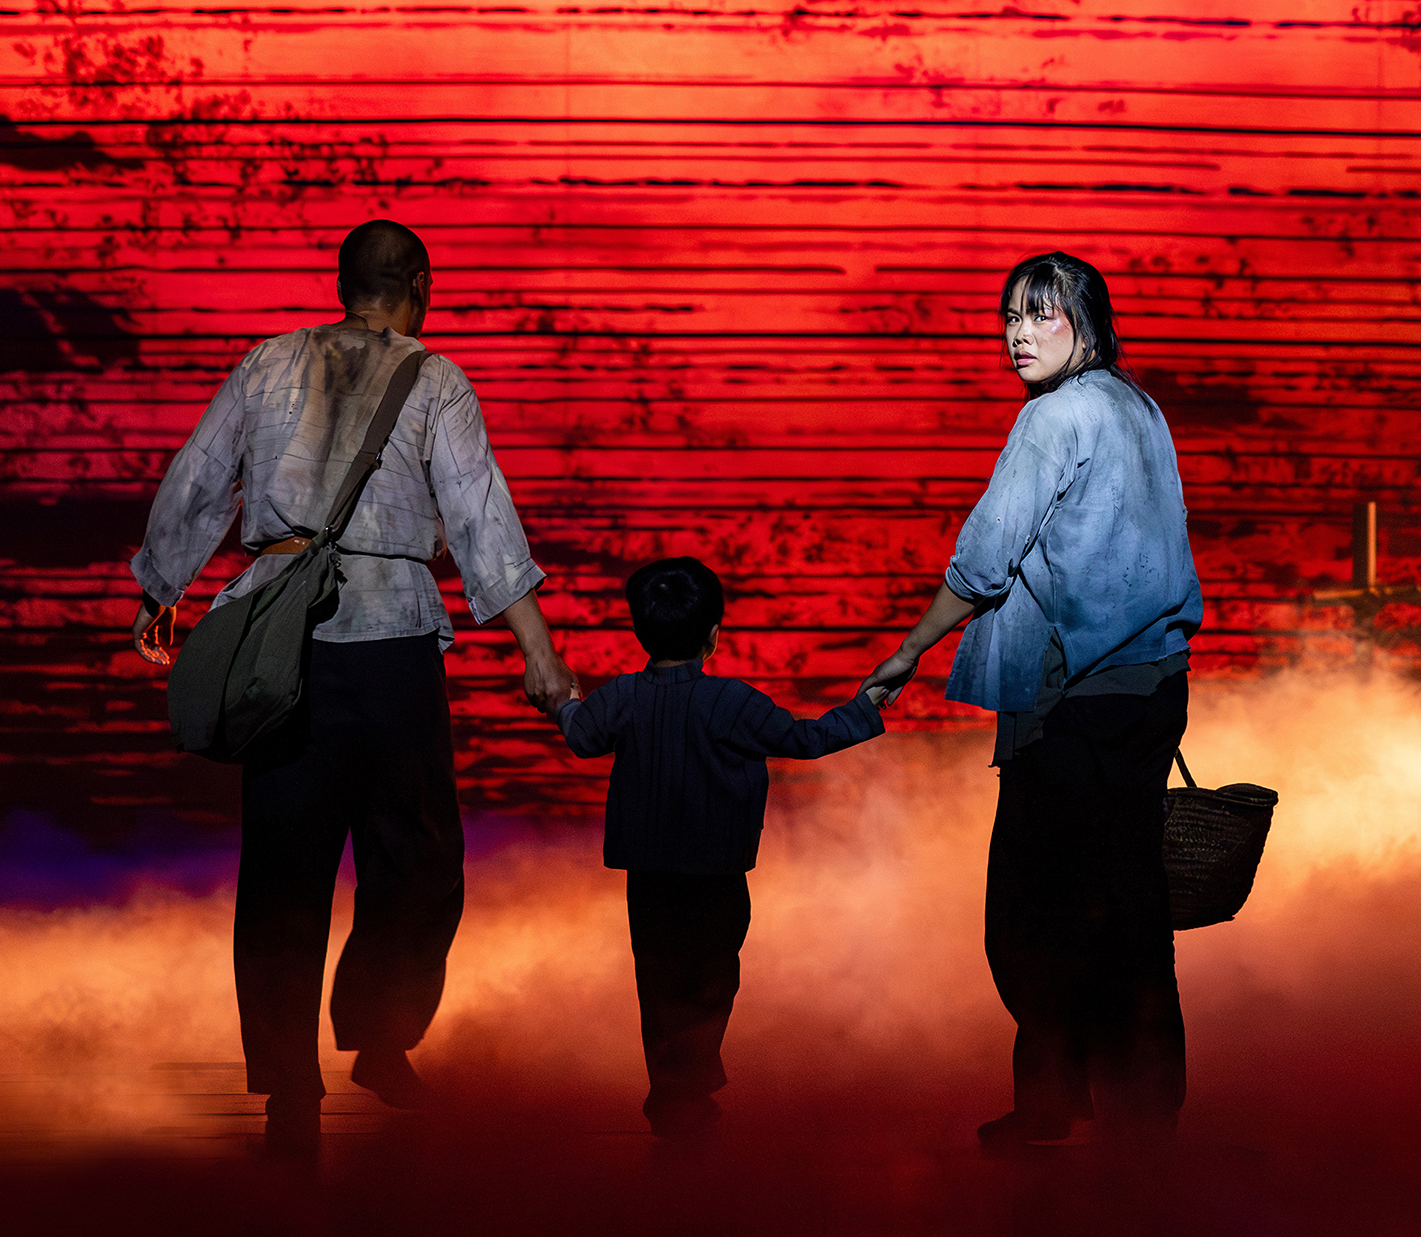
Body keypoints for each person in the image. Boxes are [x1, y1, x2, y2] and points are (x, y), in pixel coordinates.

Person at [129, 219, 574, 1149]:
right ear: (416, 281)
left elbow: (199, 479)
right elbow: (481, 514)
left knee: (285, 872)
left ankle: (293, 1085)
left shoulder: (266, 362)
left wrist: (162, 593)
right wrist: (537, 649)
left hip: (280, 641)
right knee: (417, 857)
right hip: (388, 641)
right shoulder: (435, 378)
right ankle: (373, 1038)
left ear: (343, 283)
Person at [861, 251, 1203, 1149]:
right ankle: (1144, 1109)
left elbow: (983, 560)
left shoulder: (1054, 418)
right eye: (1010, 315)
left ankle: (1055, 1098)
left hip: (1073, 701)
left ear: (1083, 320)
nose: (1017, 331)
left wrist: (906, 653)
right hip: (1151, 686)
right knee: (1129, 903)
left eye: (1040, 313)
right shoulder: (1139, 405)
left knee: (1032, 911)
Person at [551, 557, 886, 1137]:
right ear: (713, 635)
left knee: (656, 982)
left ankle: (672, 1091)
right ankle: (689, 1086)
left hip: (650, 877)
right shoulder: (732, 702)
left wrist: (561, 700)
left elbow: (581, 736)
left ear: (638, 631)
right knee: (712, 979)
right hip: (717, 874)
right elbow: (805, 740)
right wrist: (866, 707)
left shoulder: (622, 697)